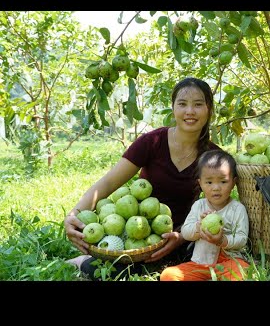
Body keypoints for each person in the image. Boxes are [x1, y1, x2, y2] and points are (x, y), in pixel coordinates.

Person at [64, 77, 221, 279]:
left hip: (182, 234)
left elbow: (218, 205)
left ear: (209, 110)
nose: (189, 111)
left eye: (198, 104)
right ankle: (85, 263)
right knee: (115, 272)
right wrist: (74, 214)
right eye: (182, 104)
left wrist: (182, 236)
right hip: (138, 231)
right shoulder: (152, 141)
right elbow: (109, 182)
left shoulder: (213, 157)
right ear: (173, 108)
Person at [160, 149, 250, 281]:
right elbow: (185, 232)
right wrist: (198, 227)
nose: (216, 188)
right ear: (200, 183)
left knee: (242, 272)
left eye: (223, 181)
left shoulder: (238, 209)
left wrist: (222, 241)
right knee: (168, 275)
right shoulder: (199, 206)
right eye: (209, 182)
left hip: (229, 263)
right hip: (200, 264)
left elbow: (242, 239)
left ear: (233, 183)